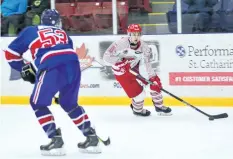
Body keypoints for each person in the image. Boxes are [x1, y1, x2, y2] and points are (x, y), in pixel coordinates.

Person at [4, 9, 101, 156]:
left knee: (37, 103)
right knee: (69, 103)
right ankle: (91, 137)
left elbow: (10, 53)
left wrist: (23, 67)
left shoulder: (31, 30)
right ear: (58, 22)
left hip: (52, 66)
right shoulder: (64, 34)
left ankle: (55, 140)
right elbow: (64, 53)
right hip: (74, 65)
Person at [103, 24, 172, 117]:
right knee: (140, 95)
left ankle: (159, 107)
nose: (136, 37)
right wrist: (120, 62)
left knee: (155, 83)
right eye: (133, 34)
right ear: (129, 34)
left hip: (136, 68)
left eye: (138, 34)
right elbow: (106, 57)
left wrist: (152, 77)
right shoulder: (120, 43)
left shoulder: (144, 47)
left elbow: (147, 64)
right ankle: (137, 110)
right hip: (122, 73)